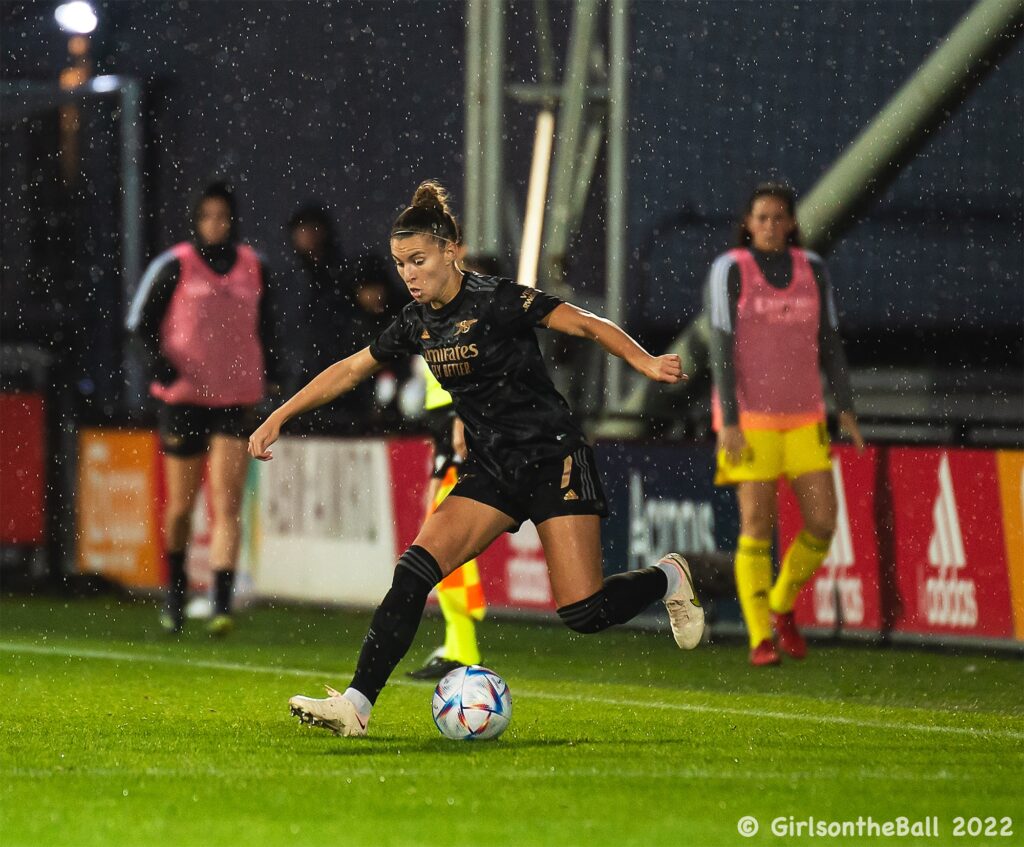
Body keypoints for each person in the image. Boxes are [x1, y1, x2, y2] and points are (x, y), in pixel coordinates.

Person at [248, 180, 705, 737]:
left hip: (551, 459)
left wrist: (645, 360)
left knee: (583, 613)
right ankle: (356, 705)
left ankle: (667, 577)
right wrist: (279, 416)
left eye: (418, 260)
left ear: (450, 251)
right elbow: (349, 369)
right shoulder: (417, 323)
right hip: (492, 470)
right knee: (414, 571)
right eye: (400, 264)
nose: (408, 274)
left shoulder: (497, 300)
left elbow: (585, 322)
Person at [704, 181, 864, 667]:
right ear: (748, 223)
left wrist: (847, 408)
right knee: (756, 525)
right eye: (762, 218)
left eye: (779, 218)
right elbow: (720, 347)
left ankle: (780, 605)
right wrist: (729, 421)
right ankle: (759, 638)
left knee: (822, 523)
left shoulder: (812, 269)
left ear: (791, 223)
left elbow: (831, 342)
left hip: (805, 417)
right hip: (749, 420)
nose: (770, 226)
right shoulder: (731, 269)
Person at [126, 181, 279, 635]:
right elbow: (139, 326)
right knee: (180, 506)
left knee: (226, 504)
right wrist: (160, 367)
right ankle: (174, 597)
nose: (216, 224)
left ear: (233, 220)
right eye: (207, 215)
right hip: (184, 401)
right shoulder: (175, 265)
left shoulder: (255, 268)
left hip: (234, 400)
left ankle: (220, 605)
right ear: (196, 221)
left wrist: (275, 375)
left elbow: (267, 329)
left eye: (223, 216)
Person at [405, 359, 487, 679]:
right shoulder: (431, 317)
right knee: (444, 547)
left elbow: (466, 363)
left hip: (453, 415)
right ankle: (458, 648)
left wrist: (459, 416)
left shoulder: (453, 317)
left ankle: (464, 651)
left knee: (446, 544)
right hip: (445, 416)